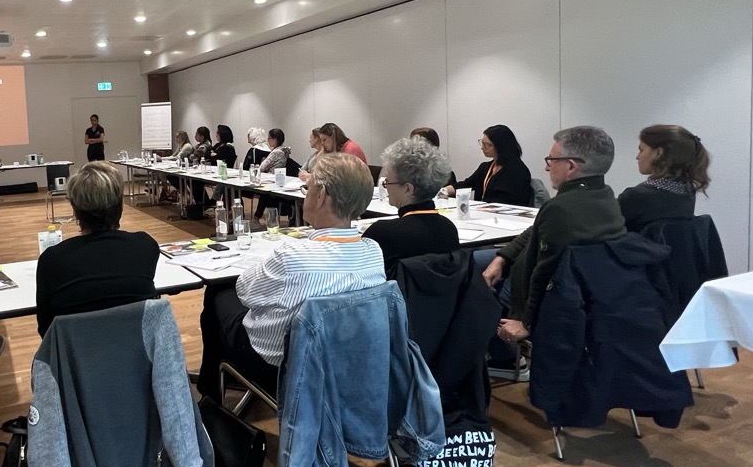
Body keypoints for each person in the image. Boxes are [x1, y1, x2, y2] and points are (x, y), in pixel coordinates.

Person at [197, 153, 386, 401]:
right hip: (343, 361)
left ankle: (211, 391)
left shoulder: (292, 256)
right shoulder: (374, 251)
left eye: (307, 188)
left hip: (278, 366)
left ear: (321, 195)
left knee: (218, 291)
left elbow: (245, 292)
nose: (305, 194)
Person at [484, 126, 626, 345]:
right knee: (483, 261)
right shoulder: (605, 196)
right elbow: (535, 230)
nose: (546, 167)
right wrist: (502, 258)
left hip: (539, 299)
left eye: (551, 160)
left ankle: (497, 354)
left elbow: (544, 273)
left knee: (472, 278)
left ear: (571, 166)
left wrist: (526, 322)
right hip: (590, 298)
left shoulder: (560, 208)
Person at [35, 161, 159, 337]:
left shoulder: (53, 259)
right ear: (120, 205)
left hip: (76, 353)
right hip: (138, 350)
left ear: (75, 208)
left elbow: (45, 329)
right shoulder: (146, 246)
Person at [363, 138, 459, 278]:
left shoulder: (382, 232)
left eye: (388, 181)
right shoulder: (448, 229)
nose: (386, 187)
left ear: (408, 188)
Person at [618, 124, 711, 231]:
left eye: (641, 150)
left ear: (658, 153)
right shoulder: (688, 192)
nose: (637, 156)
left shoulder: (635, 196)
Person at [447, 125, 533, 207]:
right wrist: (443, 191)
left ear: (500, 146)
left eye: (487, 145)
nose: (482, 148)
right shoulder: (485, 167)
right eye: (482, 143)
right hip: (482, 212)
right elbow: (466, 184)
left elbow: (506, 201)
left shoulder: (517, 171)